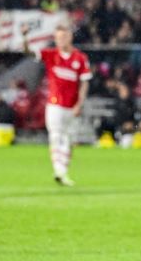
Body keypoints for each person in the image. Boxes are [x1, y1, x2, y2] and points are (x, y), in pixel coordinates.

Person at [22, 23, 91, 186]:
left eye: (63, 36)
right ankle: (58, 170)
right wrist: (25, 37)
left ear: (70, 37)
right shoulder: (51, 54)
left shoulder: (80, 58)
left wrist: (79, 104)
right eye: (58, 37)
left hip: (72, 106)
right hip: (54, 105)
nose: (61, 40)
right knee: (55, 135)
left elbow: (84, 83)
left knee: (69, 139)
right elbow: (28, 52)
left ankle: (63, 172)